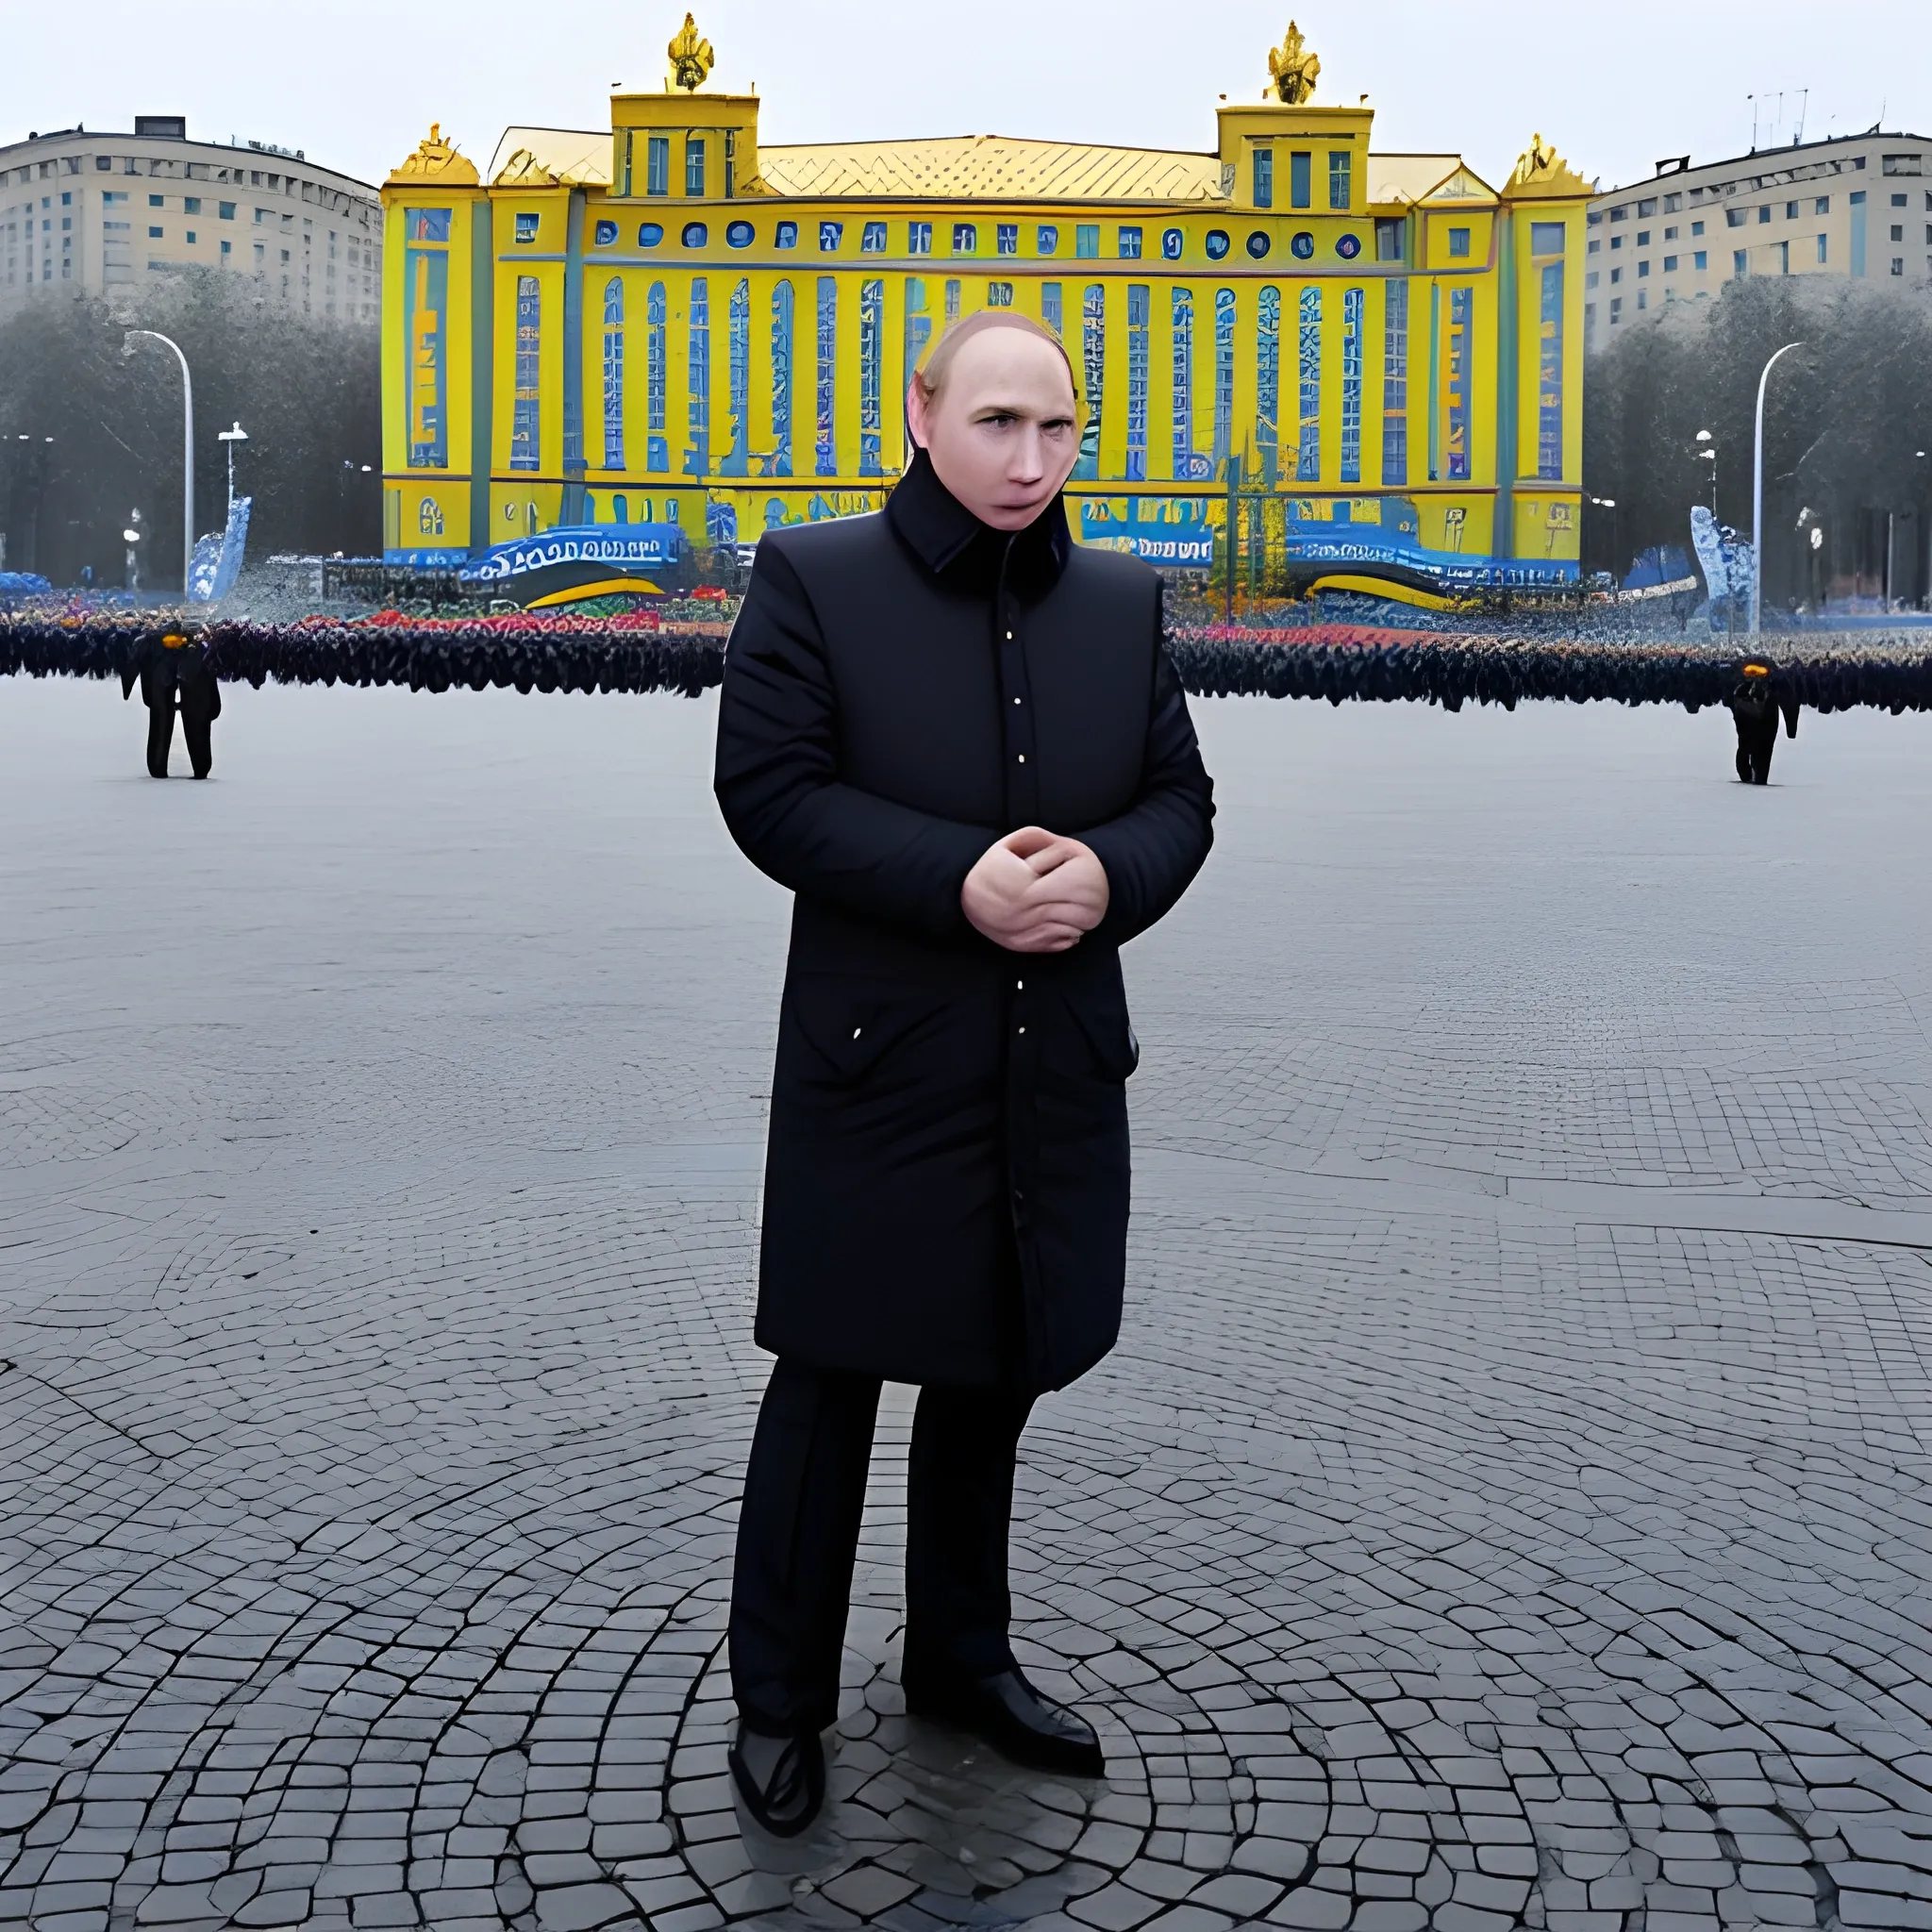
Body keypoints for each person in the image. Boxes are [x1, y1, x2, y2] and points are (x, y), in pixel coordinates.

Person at [712, 310, 1215, 1836]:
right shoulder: (815, 578)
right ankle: (777, 1697)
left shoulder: (1120, 603)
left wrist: (1105, 878)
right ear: (920, 413)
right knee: (833, 1372)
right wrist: (961, 881)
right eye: (998, 423)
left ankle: (960, 1656)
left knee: (994, 1368)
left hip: (1049, 1051)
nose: (1030, 459)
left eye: (1057, 431)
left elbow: (1177, 800)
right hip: (880, 1060)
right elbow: (768, 790)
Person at [122, 625, 220, 779]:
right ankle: (200, 767)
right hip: (189, 672)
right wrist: (214, 706)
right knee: (195, 718)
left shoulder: (154, 642)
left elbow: (134, 663)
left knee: (162, 715)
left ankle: (158, 766)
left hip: (165, 671)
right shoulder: (200, 648)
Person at [1727, 658, 1797, 785]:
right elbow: (1790, 702)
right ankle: (1758, 779)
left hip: (1751, 722)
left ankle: (1751, 778)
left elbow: (1727, 696)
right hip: (1764, 723)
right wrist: (1791, 729)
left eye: (1760, 672)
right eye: (1751, 672)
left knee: (1746, 749)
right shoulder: (1778, 678)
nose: (1755, 675)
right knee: (1761, 752)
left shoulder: (1740, 681)